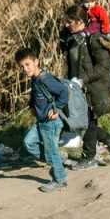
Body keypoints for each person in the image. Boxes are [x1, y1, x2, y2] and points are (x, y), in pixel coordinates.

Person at [58, 6, 110, 168]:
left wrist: (82, 79)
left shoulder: (94, 39)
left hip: (94, 88)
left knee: (88, 122)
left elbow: (104, 66)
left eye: (69, 22)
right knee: (82, 122)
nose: (66, 25)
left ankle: (89, 157)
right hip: (78, 88)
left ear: (81, 21)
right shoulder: (73, 38)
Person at [14, 47, 68, 192]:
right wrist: (31, 105)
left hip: (51, 122)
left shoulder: (45, 78)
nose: (25, 69)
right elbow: (36, 96)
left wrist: (56, 108)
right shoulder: (34, 79)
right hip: (41, 122)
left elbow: (64, 91)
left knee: (51, 154)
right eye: (22, 66)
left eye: (27, 64)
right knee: (28, 143)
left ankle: (60, 180)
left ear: (36, 62)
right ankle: (57, 157)